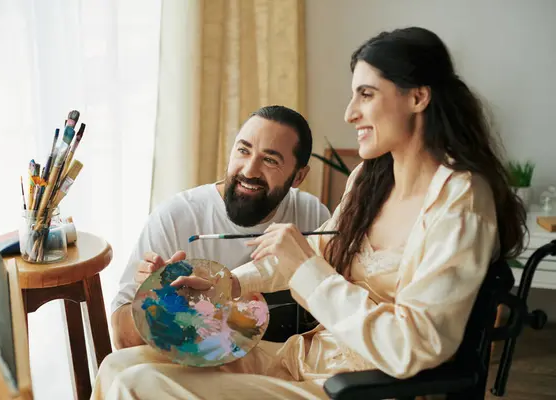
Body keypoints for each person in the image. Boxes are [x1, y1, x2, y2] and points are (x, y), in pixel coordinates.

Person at [92, 27, 527, 400]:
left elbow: (413, 347)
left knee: (141, 385)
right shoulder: (370, 178)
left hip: (351, 388)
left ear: (418, 97)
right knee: (120, 366)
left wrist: (306, 267)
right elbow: (309, 256)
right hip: (306, 360)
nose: (350, 112)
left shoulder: (461, 202)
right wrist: (224, 284)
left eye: (366, 94)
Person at [111, 105, 331, 349]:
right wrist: (156, 301)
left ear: (299, 176)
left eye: (270, 160)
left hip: (281, 373)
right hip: (196, 377)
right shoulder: (175, 218)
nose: (249, 170)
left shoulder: (313, 216)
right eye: (243, 151)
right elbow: (123, 341)